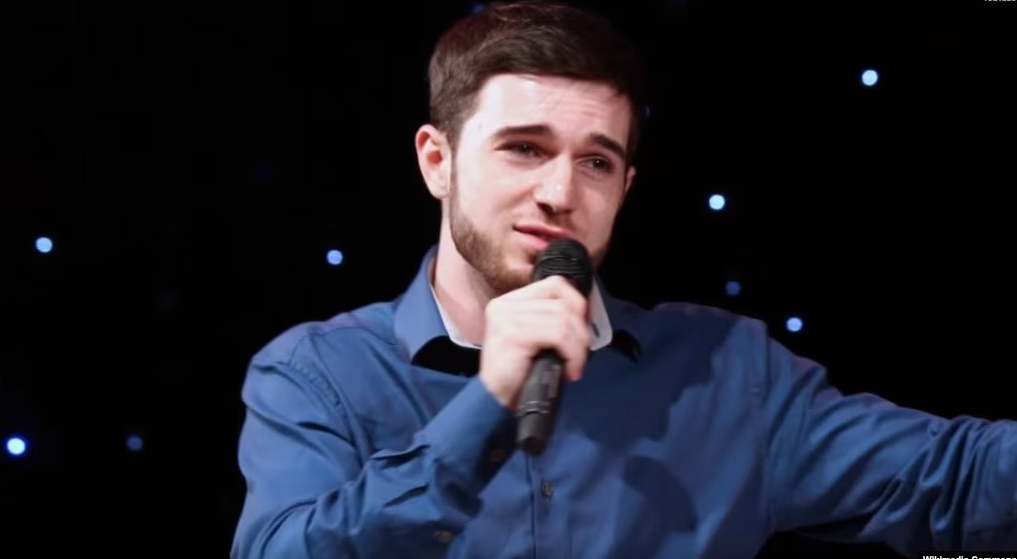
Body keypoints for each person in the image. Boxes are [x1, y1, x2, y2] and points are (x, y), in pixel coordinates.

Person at [230, 2, 1017, 558]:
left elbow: (956, 479)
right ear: (438, 160)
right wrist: (485, 405)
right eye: (524, 148)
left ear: (626, 187)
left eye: (596, 161)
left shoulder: (725, 372)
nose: (559, 192)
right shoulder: (318, 374)